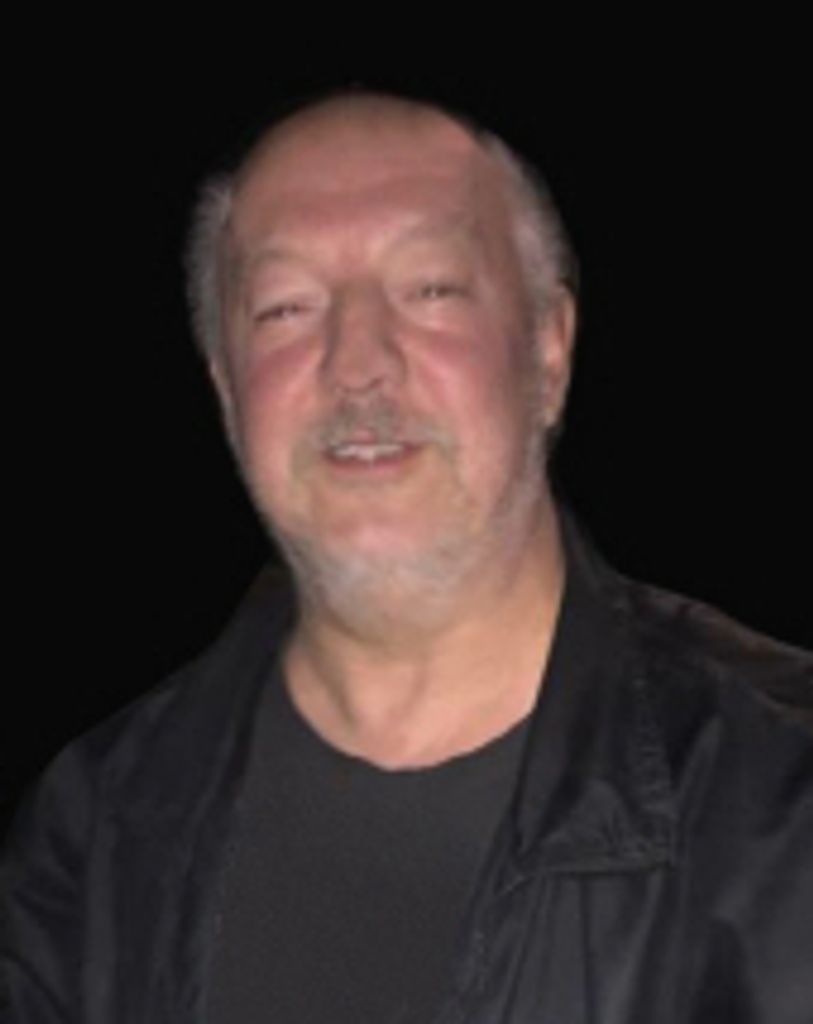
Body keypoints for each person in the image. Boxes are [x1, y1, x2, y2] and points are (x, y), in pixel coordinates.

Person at [2, 91, 812, 1024]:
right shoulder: (93, 836)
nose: (357, 363)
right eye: (285, 308)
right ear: (227, 392)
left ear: (547, 351)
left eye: (430, 289)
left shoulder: (783, 800)